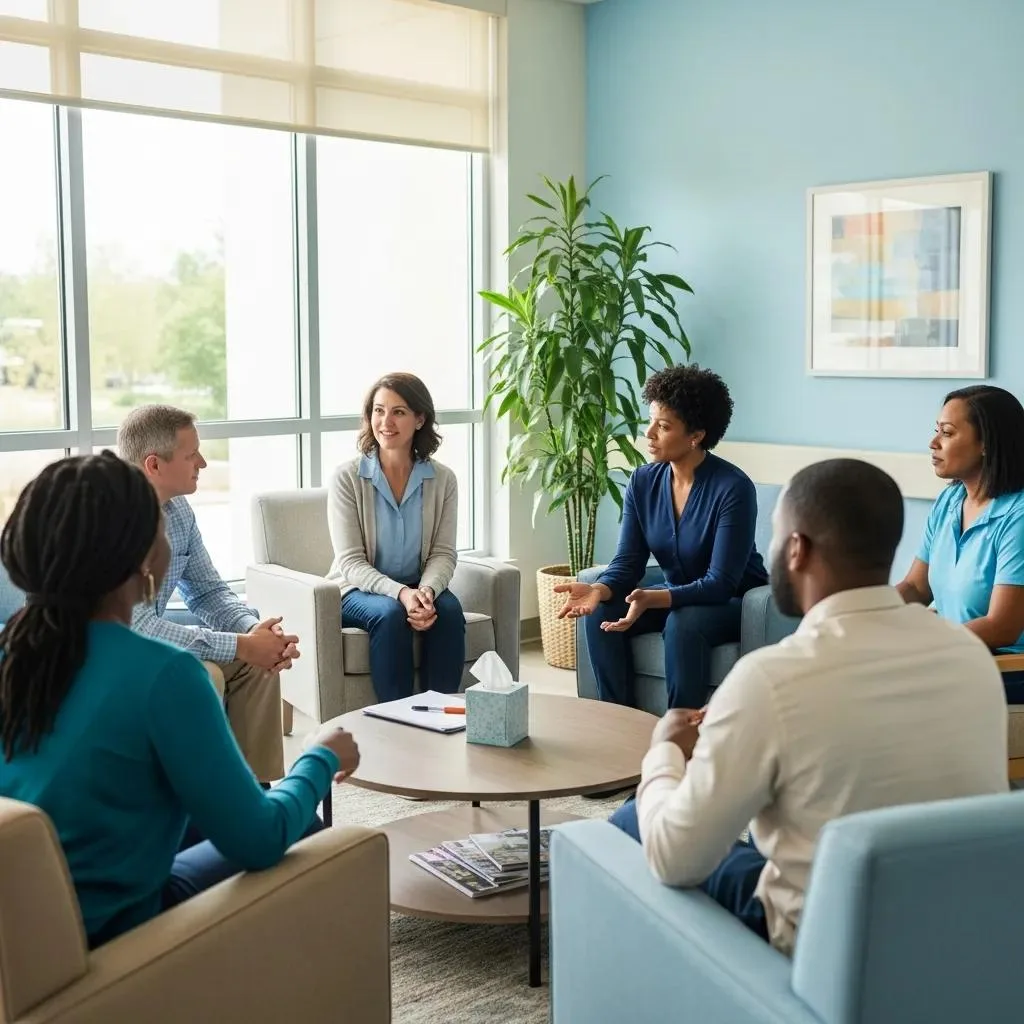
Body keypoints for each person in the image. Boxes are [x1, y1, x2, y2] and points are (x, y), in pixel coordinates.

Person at [609, 459, 1008, 955]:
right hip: (956, 928)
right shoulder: (969, 656)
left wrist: (666, 749)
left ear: (796, 549)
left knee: (632, 820)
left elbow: (675, 857)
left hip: (822, 940)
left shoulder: (769, 679)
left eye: (775, 537)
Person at [0, 452, 360, 948]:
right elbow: (258, 840)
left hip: (25, 932)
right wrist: (322, 755)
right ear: (144, 555)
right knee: (302, 831)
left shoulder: (15, 653)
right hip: (109, 936)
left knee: (220, 809)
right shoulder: (165, 676)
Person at [554, 364, 768, 710]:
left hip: (734, 602)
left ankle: (679, 734)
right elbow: (628, 562)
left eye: (664, 426)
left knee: (685, 621)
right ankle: (618, 724)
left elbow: (720, 583)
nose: (649, 433)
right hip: (677, 594)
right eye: (651, 420)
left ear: (696, 435)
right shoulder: (643, 481)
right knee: (600, 611)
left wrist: (654, 598)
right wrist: (600, 589)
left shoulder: (733, 488)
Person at [118, 405, 294, 784]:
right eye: (191, 454)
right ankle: (204, 794)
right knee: (207, 673)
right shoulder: (115, 523)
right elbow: (136, 626)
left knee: (257, 665)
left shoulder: (178, 510)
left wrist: (257, 634)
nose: (203, 462)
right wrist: (239, 645)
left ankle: (255, 791)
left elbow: (208, 592)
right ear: (154, 465)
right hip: (106, 653)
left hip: (147, 642)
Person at [327, 373, 465, 702]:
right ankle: (396, 723)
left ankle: (441, 713)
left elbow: (443, 553)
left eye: (398, 412)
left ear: (420, 419)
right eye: (378, 411)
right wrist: (402, 594)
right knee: (389, 616)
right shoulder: (347, 478)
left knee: (448, 611)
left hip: (419, 585)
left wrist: (427, 591)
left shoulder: (443, 480)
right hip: (357, 590)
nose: (385, 422)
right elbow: (350, 563)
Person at [896, 385, 1024, 701]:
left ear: (986, 444)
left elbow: (1001, 626)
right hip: (954, 656)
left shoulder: (1019, 517)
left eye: (948, 433)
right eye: (936, 431)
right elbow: (915, 587)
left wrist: (929, 649)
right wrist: (861, 614)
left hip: (1005, 668)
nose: (933, 443)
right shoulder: (950, 501)